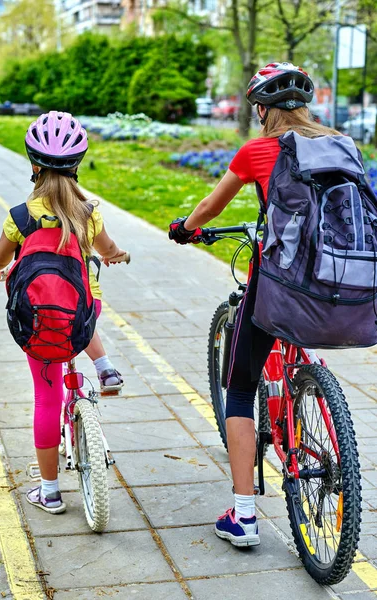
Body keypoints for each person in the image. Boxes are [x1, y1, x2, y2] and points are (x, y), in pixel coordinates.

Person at [169, 63, 340, 546]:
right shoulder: (341, 145)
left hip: (279, 282)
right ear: (306, 105)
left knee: (240, 386)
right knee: (296, 349)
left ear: (262, 108)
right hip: (335, 282)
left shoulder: (258, 150)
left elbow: (211, 208)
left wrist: (185, 229)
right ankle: (315, 398)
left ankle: (243, 516)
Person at [0, 111, 126, 514]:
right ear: (77, 164)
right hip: (81, 310)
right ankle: (104, 364)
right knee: (85, 313)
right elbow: (109, 249)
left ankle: (50, 492)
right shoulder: (88, 213)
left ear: (32, 164)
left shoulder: (20, 218)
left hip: (38, 317)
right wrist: (118, 255)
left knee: (47, 396)